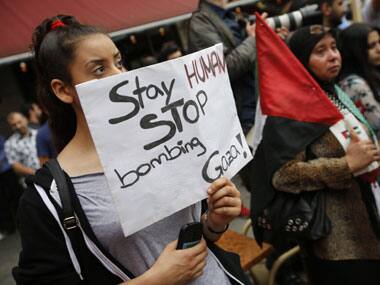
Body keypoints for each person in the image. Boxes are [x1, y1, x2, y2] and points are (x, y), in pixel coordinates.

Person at [13, 15, 249, 285]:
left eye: (119, 62)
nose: (120, 76)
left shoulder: (170, 141)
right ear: (64, 90)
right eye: (99, 69)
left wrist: (214, 221)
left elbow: (191, 237)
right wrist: (157, 279)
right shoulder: (47, 198)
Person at [254, 25, 380, 284]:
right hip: (334, 241)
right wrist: (345, 165)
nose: (333, 55)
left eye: (334, 47)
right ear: (300, 61)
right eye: (320, 51)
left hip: (368, 216)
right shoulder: (288, 112)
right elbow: (282, 175)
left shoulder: (333, 92)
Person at [338, 23, 380, 137]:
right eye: (371, 46)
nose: (379, 49)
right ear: (355, 50)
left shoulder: (373, 72)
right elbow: (377, 125)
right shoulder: (354, 85)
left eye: (379, 42)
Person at [0, 135, 23, 238]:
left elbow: (5, 149)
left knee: (15, 195)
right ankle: (8, 226)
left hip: (6, 169)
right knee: (2, 201)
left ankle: (23, 222)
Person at [4, 112, 39, 178]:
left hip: (52, 172)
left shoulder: (38, 133)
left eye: (19, 122)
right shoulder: (9, 144)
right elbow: (16, 166)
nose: (18, 126)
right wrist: (37, 174)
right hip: (32, 180)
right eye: (14, 125)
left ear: (25, 119)